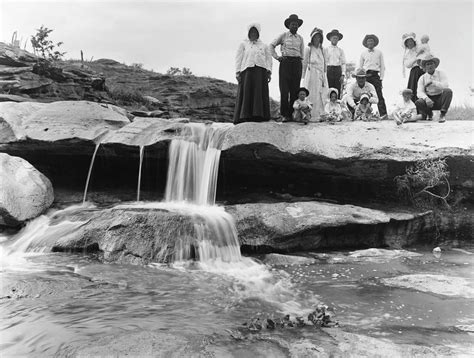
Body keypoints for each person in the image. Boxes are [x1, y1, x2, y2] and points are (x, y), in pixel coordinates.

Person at [234, 23, 273, 124]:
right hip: (247, 71)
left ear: (258, 33)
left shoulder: (264, 45)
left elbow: (269, 59)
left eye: (255, 32)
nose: (253, 34)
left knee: (259, 92)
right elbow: (238, 58)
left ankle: (259, 115)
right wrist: (237, 72)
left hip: (260, 72)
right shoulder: (244, 44)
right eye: (251, 32)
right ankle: (245, 115)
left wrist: (269, 71)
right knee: (247, 92)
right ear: (248, 33)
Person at [270, 14, 305, 121]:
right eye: (292, 24)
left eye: (296, 25)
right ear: (289, 25)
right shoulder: (284, 36)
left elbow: (302, 54)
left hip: (297, 63)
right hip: (285, 63)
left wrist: (299, 64)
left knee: (295, 90)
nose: (294, 26)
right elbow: (271, 45)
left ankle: (293, 114)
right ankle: (284, 115)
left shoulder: (300, 38)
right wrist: (277, 57)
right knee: (284, 90)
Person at [415, 55, 453, 123]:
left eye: (432, 63)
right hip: (429, 100)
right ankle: (429, 114)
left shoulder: (441, 73)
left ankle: (442, 115)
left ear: (435, 65)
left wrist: (433, 82)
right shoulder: (422, 78)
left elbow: (445, 85)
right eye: (428, 64)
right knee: (418, 102)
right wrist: (426, 98)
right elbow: (419, 92)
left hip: (440, 99)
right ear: (425, 67)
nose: (430, 66)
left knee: (448, 91)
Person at [302, 27, 328, 121]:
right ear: (312, 38)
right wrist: (303, 77)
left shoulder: (323, 50)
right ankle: (310, 115)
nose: (317, 39)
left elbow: (325, 63)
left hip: (321, 74)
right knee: (311, 93)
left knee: (320, 94)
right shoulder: (308, 49)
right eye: (315, 37)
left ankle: (319, 114)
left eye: (319, 37)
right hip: (311, 73)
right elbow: (304, 63)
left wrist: (325, 76)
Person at [359, 34, 387, 117]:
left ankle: (383, 114)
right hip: (366, 76)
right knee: (365, 95)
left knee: (378, 94)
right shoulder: (363, 53)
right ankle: (365, 114)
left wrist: (381, 78)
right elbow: (360, 67)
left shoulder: (379, 52)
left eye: (371, 41)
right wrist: (360, 77)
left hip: (375, 75)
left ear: (374, 43)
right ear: (366, 43)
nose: (370, 42)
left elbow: (382, 66)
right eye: (368, 41)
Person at [402, 32, 424, 102]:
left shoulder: (420, 48)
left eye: (411, 41)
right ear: (406, 44)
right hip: (415, 72)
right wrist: (416, 57)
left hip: (423, 69)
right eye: (408, 42)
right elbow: (408, 64)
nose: (410, 43)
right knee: (414, 89)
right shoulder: (407, 54)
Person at [324, 29, 346, 99]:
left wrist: (343, 74)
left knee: (337, 89)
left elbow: (343, 63)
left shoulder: (340, 50)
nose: (335, 39)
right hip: (329, 70)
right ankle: (328, 107)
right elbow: (324, 62)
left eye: (336, 38)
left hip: (337, 70)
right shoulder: (326, 49)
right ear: (330, 39)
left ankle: (337, 107)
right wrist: (324, 73)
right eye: (333, 38)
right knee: (329, 88)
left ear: (338, 39)